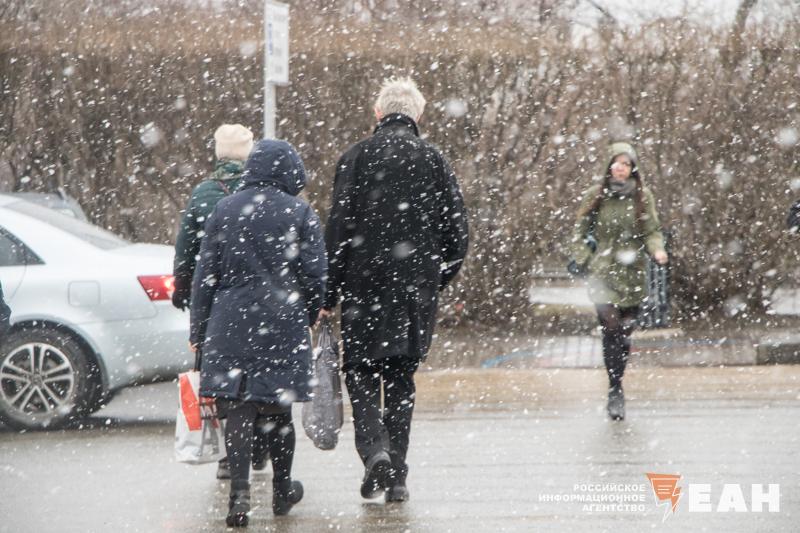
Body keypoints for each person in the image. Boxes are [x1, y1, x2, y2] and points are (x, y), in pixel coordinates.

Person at [321, 77, 469, 503]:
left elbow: (338, 230)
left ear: (378, 113)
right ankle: (398, 478)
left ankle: (375, 452)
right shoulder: (434, 159)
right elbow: (458, 234)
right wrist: (434, 278)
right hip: (413, 291)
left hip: (363, 287)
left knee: (361, 372)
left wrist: (329, 292)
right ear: (418, 114)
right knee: (401, 378)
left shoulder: (355, 157)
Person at [189, 139, 326, 526]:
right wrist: (309, 312)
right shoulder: (299, 212)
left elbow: (205, 275)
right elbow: (315, 274)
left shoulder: (224, 208)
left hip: (230, 320)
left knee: (238, 406)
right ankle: (282, 491)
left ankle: (239, 496)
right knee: (278, 408)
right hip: (282, 320)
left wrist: (199, 328)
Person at [172, 124, 268, 480]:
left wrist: (183, 287)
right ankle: (259, 442)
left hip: (215, 297)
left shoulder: (204, 193)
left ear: (218, 153)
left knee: (222, 376)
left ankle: (229, 454)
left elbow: (186, 248)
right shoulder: (263, 191)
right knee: (260, 369)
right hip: (260, 296)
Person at [568, 142, 668, 421]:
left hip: (632, 271)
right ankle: (615, 389)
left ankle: (617, 377)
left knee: (624, 333)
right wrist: (586, 258)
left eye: (626, 163)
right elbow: (579, 231)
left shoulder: (642, 196)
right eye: (616, 163)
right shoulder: (596, 195)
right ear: (608, 166)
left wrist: (657, 250)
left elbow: (652, 229)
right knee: (610, 327)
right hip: (603, 272)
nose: (620, 168)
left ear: (632, 168)